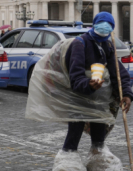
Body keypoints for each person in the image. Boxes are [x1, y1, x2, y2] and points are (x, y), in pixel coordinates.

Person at [52, 12, 132, 170]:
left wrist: (127, 94)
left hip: (98, 101)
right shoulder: (80, 43)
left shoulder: (107, 45)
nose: (104, 27)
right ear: (94, 25)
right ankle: (67, 163)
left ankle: (98, 159)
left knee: (99, 139)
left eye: (108, 25)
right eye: (101, 23)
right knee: (73, 137)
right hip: (79, 99)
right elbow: (75, 76)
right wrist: (88, 84)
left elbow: (118, 72)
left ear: (112, 29)